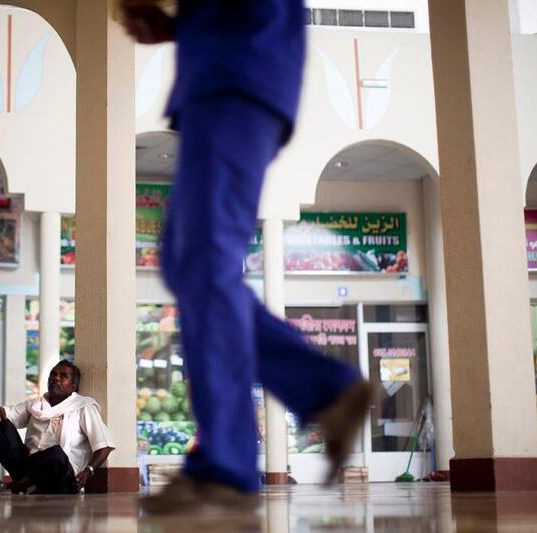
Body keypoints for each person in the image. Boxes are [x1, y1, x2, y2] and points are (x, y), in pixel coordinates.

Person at [120, 0, 372, 512]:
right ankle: (326, 390)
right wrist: (178, 24)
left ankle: (226, 470)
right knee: (188, 262)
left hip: (236, 70)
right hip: (229, 66)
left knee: (204, 264)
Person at [0, 361, 115, 495]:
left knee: (56, 453)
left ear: (73, 386)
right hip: (28, 465)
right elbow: (5, 413)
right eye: (53, 375)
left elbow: (104, 446)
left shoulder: (83, 407)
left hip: (60, 474)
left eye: (63, 376)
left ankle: (13, 486)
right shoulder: (36, 404)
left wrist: (88, 472)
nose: (56, 378)